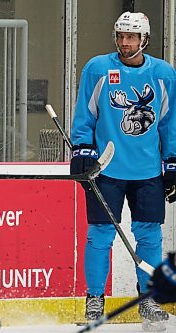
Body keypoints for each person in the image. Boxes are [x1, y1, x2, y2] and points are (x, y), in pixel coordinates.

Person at [70, 11, 175, 331]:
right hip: (106, 170)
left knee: (149, 236)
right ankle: (95, 299)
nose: (124, 42)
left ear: (144, 39)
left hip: (147, 173)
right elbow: (85, 114)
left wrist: (172, 160)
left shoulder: (164, 73)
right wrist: (81, 149)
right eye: (120, 36)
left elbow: (170, 123)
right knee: (100, 235)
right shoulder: (98, 68)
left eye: (131, 37)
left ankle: (148, 299)